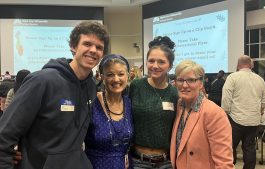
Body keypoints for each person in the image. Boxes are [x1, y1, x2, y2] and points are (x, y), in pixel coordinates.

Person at [0, 20, 109, 169]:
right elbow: (4, 135)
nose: (93, 50)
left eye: (99, 47)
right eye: (87, 44)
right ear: (73, 46)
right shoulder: (41, 81)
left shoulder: (90, 87)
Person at [170, 60, 234, 169]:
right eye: (180, 80)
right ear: (175, 82)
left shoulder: (214, 113)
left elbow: (224, 163)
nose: (184, 85)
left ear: (201, 83)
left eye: (191, 80)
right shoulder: (179, 106)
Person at [129, 36, 178, 169]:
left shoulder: (175, 93)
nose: (155, 66)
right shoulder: (136, 86)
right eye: (151, 61)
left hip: (166, 162)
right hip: (138, 160)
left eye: (161, 62)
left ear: (170, 65)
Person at [85, 54, 134, 169]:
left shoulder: (129, 103)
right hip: (95, 165)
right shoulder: (91, 104)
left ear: (127, 76)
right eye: (110, 75)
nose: (116, 79)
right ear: (102, 77)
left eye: (121, 74)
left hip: (125, 165)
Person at [222, 55, 265, 169]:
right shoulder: (260, 79)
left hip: (235, 120)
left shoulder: (232, 77)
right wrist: (259, 110)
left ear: (238, 65)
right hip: (254, 120)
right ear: (251, 65)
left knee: (229, 147)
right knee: (249, 148)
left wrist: (225, 113)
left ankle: (229, 167)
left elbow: (226, 99)